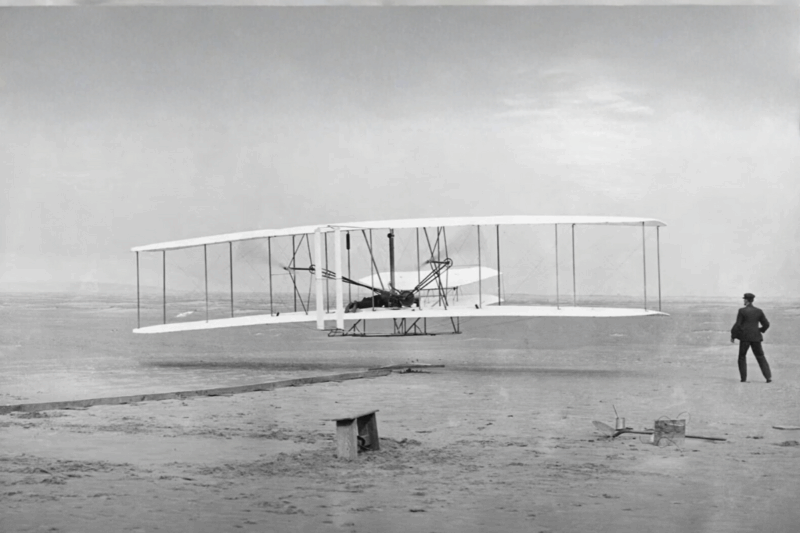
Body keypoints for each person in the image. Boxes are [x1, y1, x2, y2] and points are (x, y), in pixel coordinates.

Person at [730, 292, 771, 383]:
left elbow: (738, 324)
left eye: (744, 299)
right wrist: (760, 330)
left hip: (745, 337)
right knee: (760, 356)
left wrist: (733, 335)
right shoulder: (759, 311)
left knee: (742, 357)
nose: (743, 301)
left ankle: (743, 379)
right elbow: (766, 324)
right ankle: (768, 377)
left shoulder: (742, 311)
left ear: (746, 300)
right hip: (756, 337)